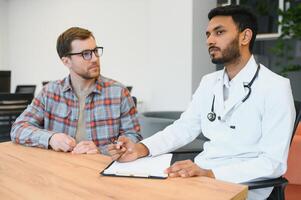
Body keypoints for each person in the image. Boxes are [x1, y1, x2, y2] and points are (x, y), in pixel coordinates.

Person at [107, 5, 296, 199]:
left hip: (245, 185)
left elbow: (273, 163)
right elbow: (183, 128)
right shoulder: (209, 83)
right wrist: (141, 148)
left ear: (245, 37)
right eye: (208, 34)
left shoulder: (275, 87)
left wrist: (212, 174)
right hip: (201, 177)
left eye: (219, 32)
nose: (210, 40)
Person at [11, 27, 142, 154]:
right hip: (60, 169)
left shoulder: (118, 92)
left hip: (100, 169)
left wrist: (101, 150)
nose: (95, 58)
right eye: (86, 54)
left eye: (95, 51)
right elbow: (18, 128)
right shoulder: (49, 92)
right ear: (66, 61)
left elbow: (134, 137)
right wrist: (51, 138)